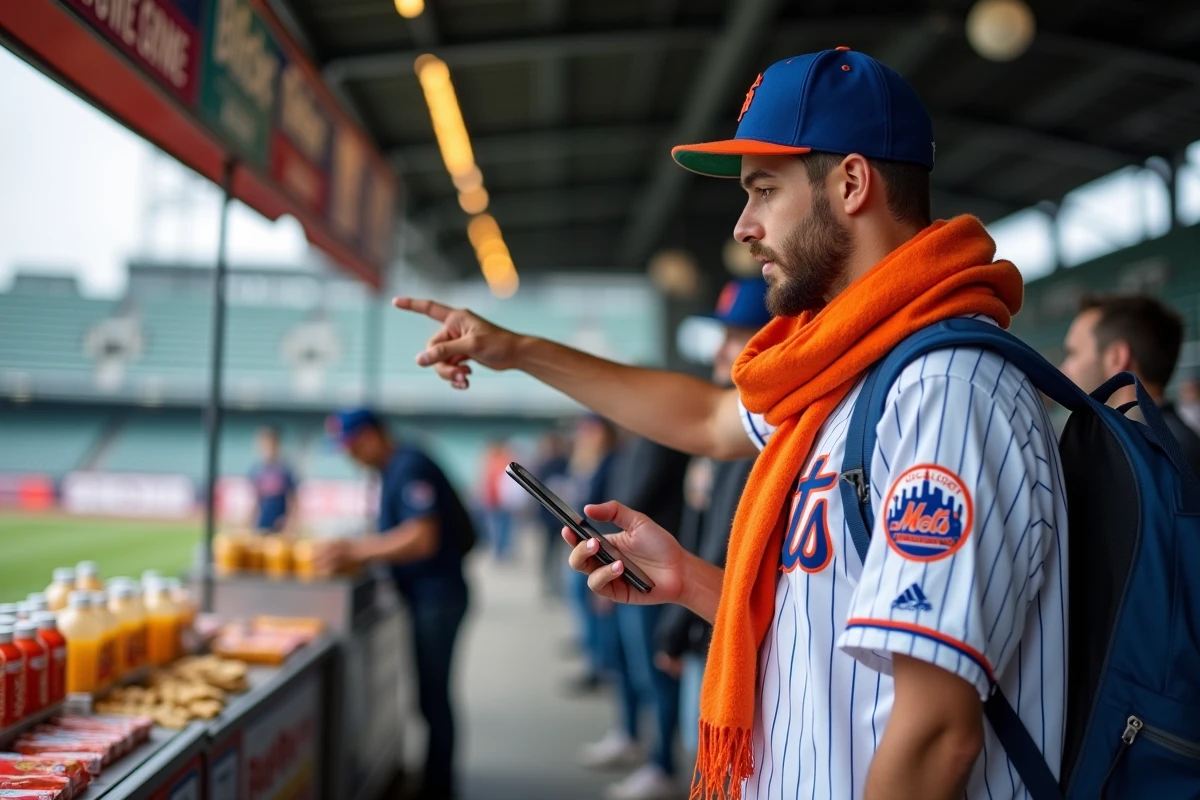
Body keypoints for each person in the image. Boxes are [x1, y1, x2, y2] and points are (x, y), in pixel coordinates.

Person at [396, 47, 1066, 800]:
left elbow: (937, 733)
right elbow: (712, 420)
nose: (744, 226)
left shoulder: (946, 390)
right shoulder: (839, 369)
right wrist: (693, 582)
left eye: (764, 190)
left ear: (851, 182)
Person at [314, 408, 474, 800]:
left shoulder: (409, 465)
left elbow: (422, 538)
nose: (350, 457)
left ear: (372, 435)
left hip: (437, 596)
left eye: (352, 447)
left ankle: (439, 787)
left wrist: (358, 551)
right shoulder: (394, 468)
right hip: (429, 595)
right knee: (430, 697)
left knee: (433, 698)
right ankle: (435, 780)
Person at [654, 277, 770, 771]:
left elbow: (724, 544)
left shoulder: (755, 433)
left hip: (724, 630)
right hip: (709, 620)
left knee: (718, 768)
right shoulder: (732, 427)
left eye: (736, 334)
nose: (721, 350)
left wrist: (677, 627)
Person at [583, 432, 689, 799]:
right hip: (633, 567)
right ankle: (631, 737)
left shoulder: (657, 440)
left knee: (655, 671)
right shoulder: (630, 446)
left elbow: (635, 502)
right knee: (628, 663)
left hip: (647, 571)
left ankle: (663, 763)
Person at [1061, 293, 1200, 476]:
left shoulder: (1155, 456)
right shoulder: (1169, 442)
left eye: (1074, 353)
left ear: (1116, 358)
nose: (1064, 368)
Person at [563, 414, 621, 694]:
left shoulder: (610, 462)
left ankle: (600, 665)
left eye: (590, 429)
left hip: (599, 548)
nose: (584, 434)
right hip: (583, 547)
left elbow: (605, 515)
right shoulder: (585, 462)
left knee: (596, 607)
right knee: (582, 605)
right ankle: (594, 660)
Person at [248, 425, 297, 534]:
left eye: (271, 444)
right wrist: (250, 521)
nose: (268, 448)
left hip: (280, 525)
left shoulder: (285, 470)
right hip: (261, 524)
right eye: (264, 444)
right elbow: (255, 500)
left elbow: (292, 500)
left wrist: (290, 522)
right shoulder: (256, 471)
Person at [476, 439, 518, 560]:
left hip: (498, 501)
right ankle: (501, 551)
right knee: (502, 527)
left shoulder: (493, 462)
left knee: (500, 527)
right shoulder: (502, 461)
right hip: (498, 501)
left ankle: (500, 551)